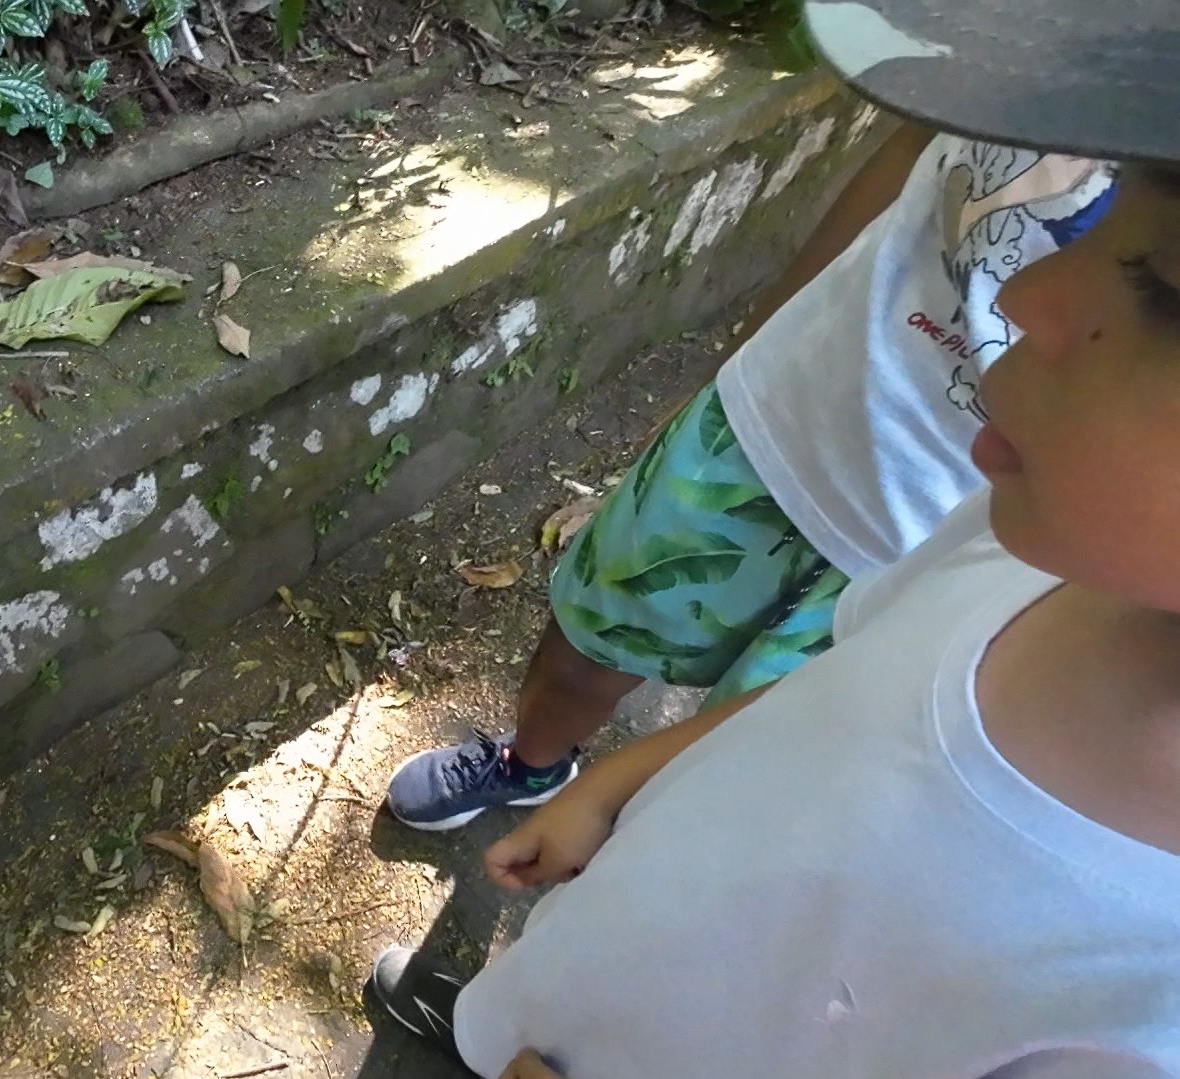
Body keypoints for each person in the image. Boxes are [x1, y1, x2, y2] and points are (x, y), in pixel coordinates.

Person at [366, 2, 1180, 1076]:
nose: (1020, 298)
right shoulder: (1013, 564)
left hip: (910, 509)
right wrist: (608, 790)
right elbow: (795, 728)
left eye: (1163, 285)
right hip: (797, 440)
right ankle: (508, 880)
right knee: (591, 639)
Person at [384, 38, 1118, 831]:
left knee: (726, 799)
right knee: (587, 644)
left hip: (948, 546)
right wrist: (751, 348)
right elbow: (916, 136)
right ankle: (528, 767)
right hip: (780, 414)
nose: (1024, 308)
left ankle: (606, 896)